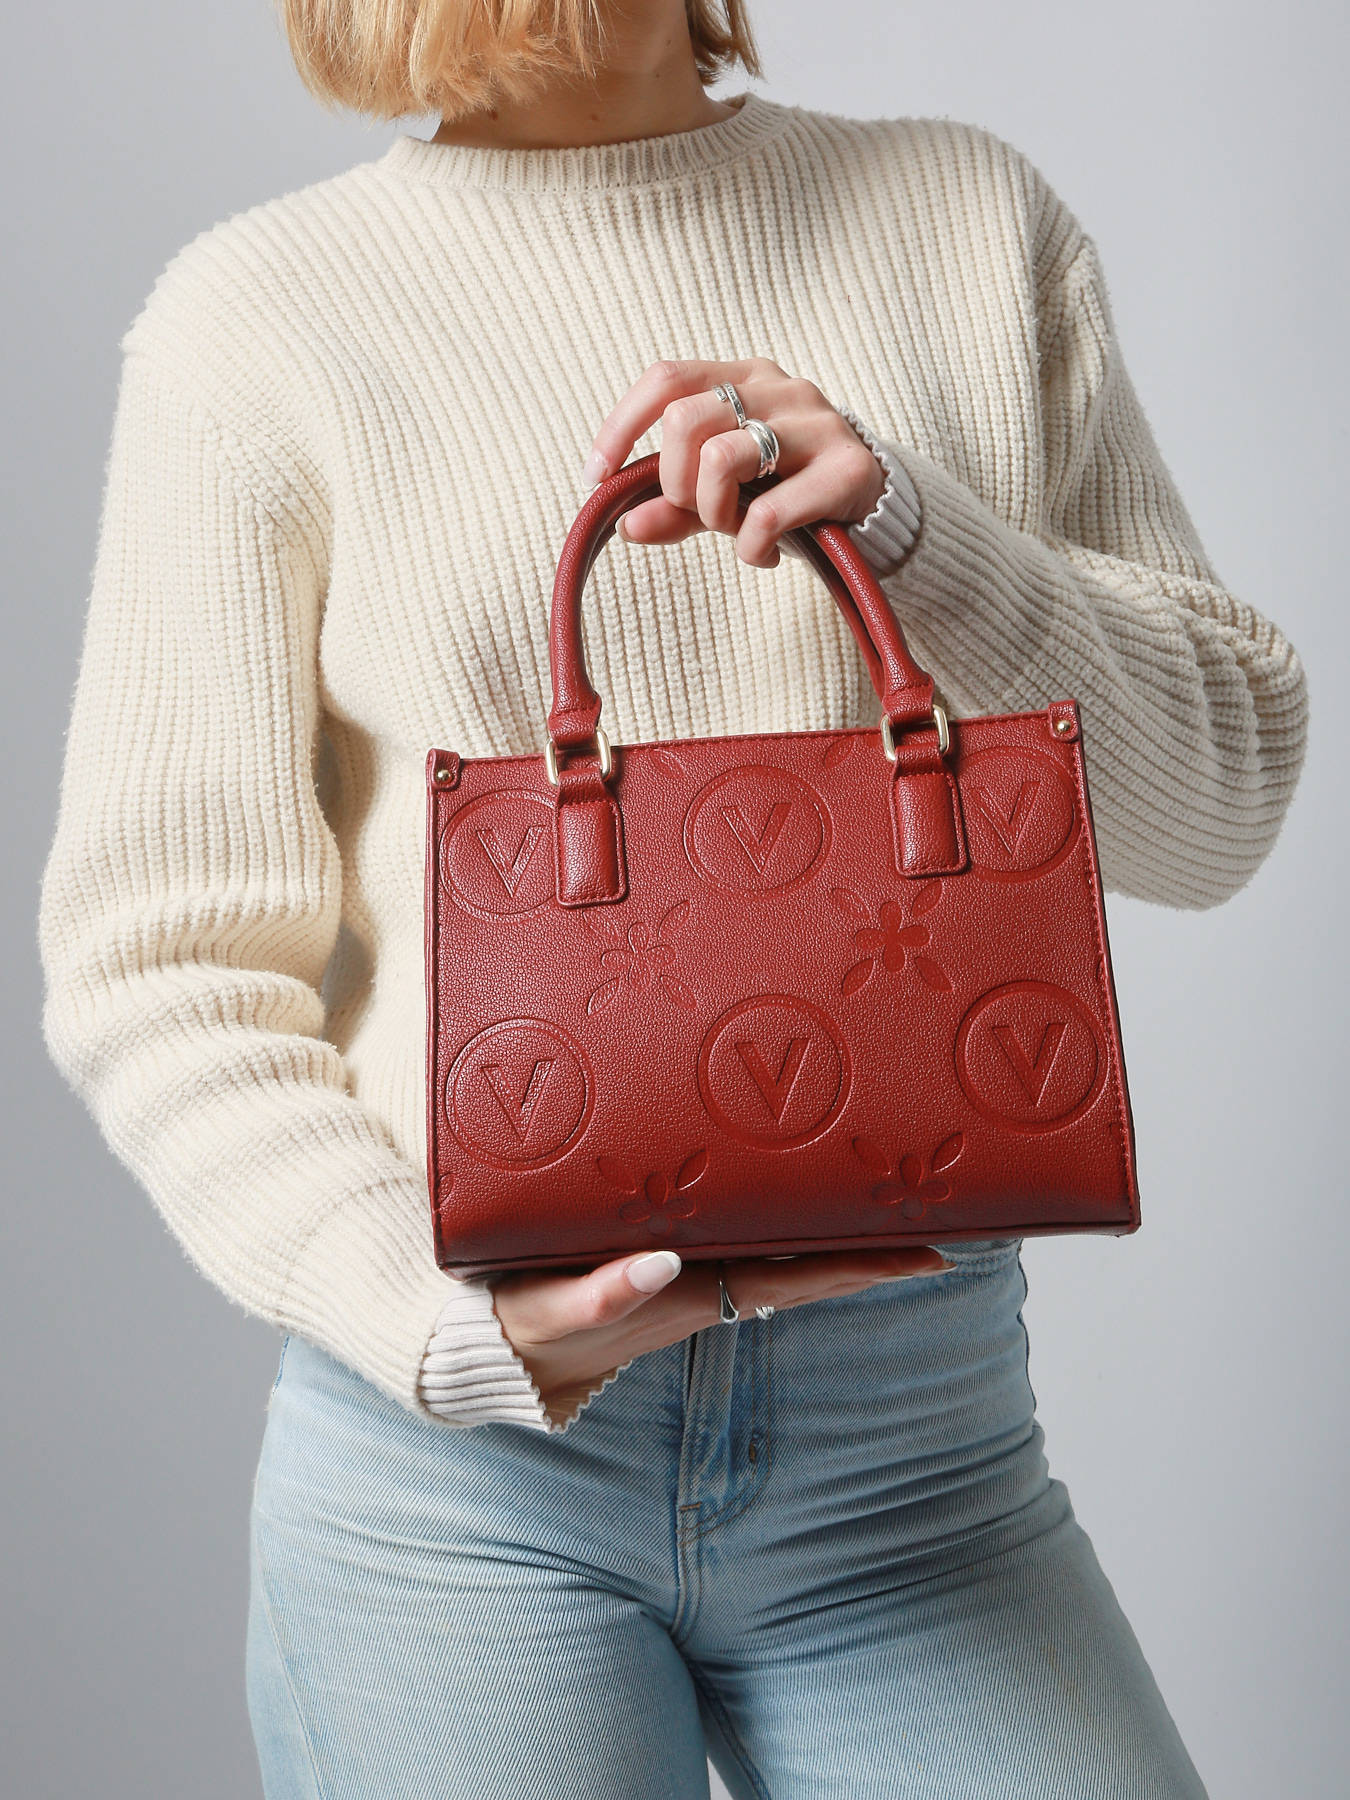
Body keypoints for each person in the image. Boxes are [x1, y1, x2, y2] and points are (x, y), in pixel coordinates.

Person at [36, 2, 1308, 1795]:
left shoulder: (966, 220)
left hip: (925, 1450)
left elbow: (1219, 809)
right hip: (461, 1485)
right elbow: (161, 966)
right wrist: (434, 1320)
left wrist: (919, 539)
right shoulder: (257, 318)